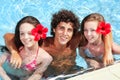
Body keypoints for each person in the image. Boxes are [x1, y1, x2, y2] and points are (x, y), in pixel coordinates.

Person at [3, 10, 112, 77]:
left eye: (69, 30)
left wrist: (108, 52)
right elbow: (8, 36)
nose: (65, 33)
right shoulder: (43, 43)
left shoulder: (75, 40)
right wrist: (14, 52)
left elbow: (106, 30)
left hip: (71, 71)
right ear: (54, 29)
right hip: (49, 75)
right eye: (61, 28)